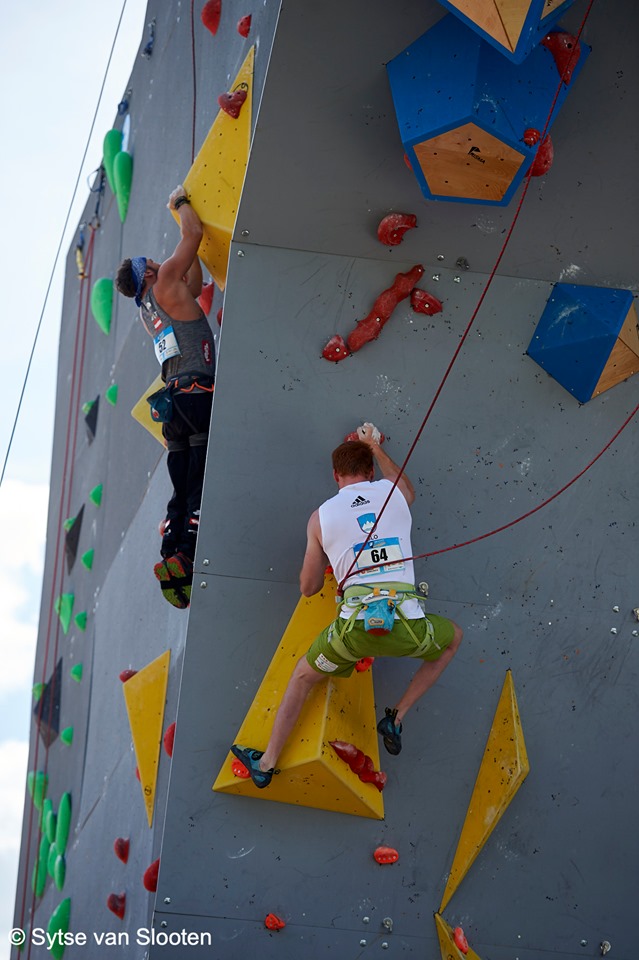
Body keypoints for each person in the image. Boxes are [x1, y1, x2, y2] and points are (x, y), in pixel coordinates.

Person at [231, 423, 463, 787]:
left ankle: (267, 763)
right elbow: (406, 485)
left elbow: (308, 588)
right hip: (409, 631)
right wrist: (374, 445)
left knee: (303, 677)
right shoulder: (393, 493)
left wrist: (330, 555)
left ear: (335, 476)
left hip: (351, 637)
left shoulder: (320, 518)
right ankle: (397, 717)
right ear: (370, 470)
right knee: (452, 639)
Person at [115, 185, 215, 609]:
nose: (159, 260)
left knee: (181, 487)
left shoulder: (146, 311)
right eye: (153, 263)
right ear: (149, 274)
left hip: (173, 405)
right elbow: (190, 238)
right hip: (196, 393)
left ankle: (171, 555)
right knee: (198, 483)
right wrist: (180, 204)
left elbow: (194, 283)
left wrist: (186, 257)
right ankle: (189, 556)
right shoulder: (164, 283)